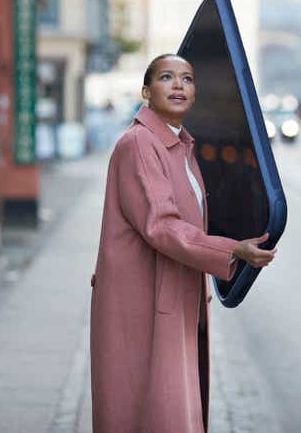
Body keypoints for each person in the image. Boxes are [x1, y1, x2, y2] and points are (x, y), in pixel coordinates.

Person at [89, 54, 277, 433]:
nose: (179, 85)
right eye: (166, 77)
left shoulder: (179, 145)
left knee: (166, 410)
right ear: (146, 91)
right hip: (142, 303)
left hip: (170, 296)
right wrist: (231, 250)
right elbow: (160, 225)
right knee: (154, 412)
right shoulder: (140, 143)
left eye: (187, 79)